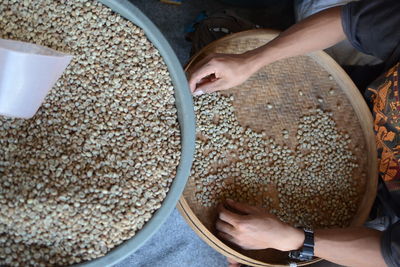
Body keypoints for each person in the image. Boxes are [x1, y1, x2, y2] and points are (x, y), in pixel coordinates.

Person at [188, 0, 400, 266]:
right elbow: (349, 22)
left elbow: (390, 253)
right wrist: (251, 60)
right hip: (370, 100)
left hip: (388, 228)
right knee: (309, 11)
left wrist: (294, 240)